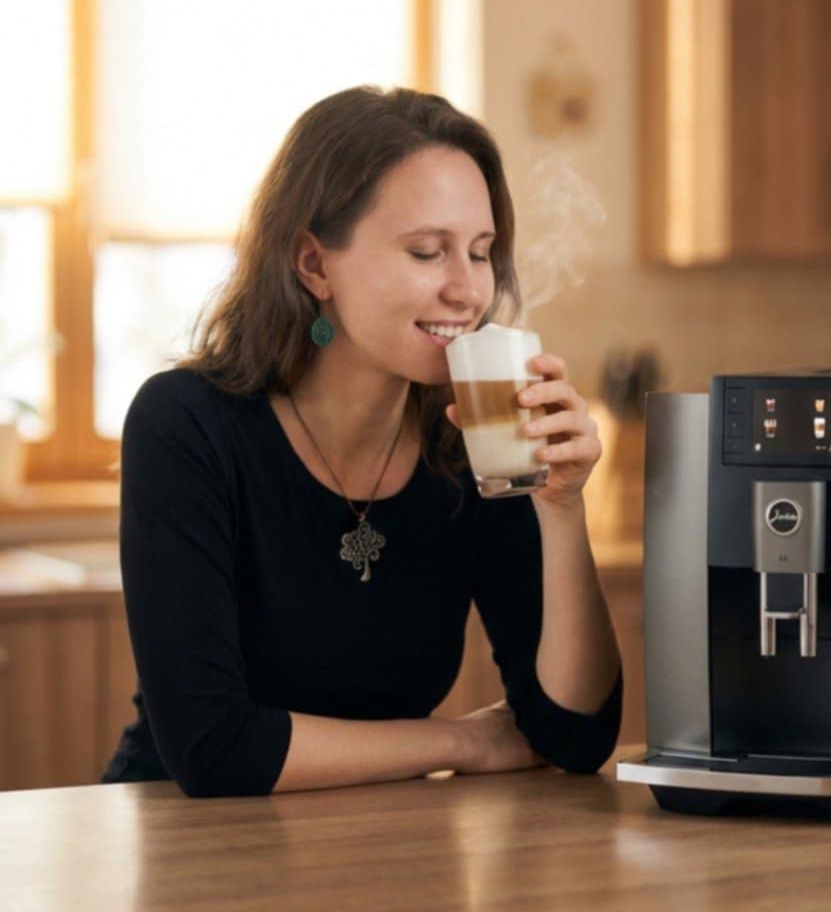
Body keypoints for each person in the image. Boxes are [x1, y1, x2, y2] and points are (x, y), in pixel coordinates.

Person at [101, 86, 623, 797]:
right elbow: (214, 749)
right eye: (426, 252)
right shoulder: (187, 424)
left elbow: (575, 736)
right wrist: (464, 741)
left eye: (480, 253)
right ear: (314, 264)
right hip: (188, 837)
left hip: (381, 840)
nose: (468, 291)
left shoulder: (472, 441)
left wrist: (561, 509)